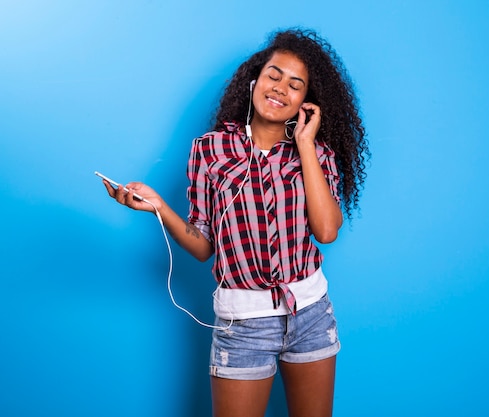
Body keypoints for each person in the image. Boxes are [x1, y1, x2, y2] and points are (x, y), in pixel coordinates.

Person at [100, 28, 368, 417]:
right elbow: (204, 245)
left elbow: (327, 232)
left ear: (305, 103)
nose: (281, 89)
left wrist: (306, 145)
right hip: (243, 323)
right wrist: (160, 208)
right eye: (274, 75)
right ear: (255, 80)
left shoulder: (316, 154)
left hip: (310, 314)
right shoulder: (209, 151)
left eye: (296, 85)